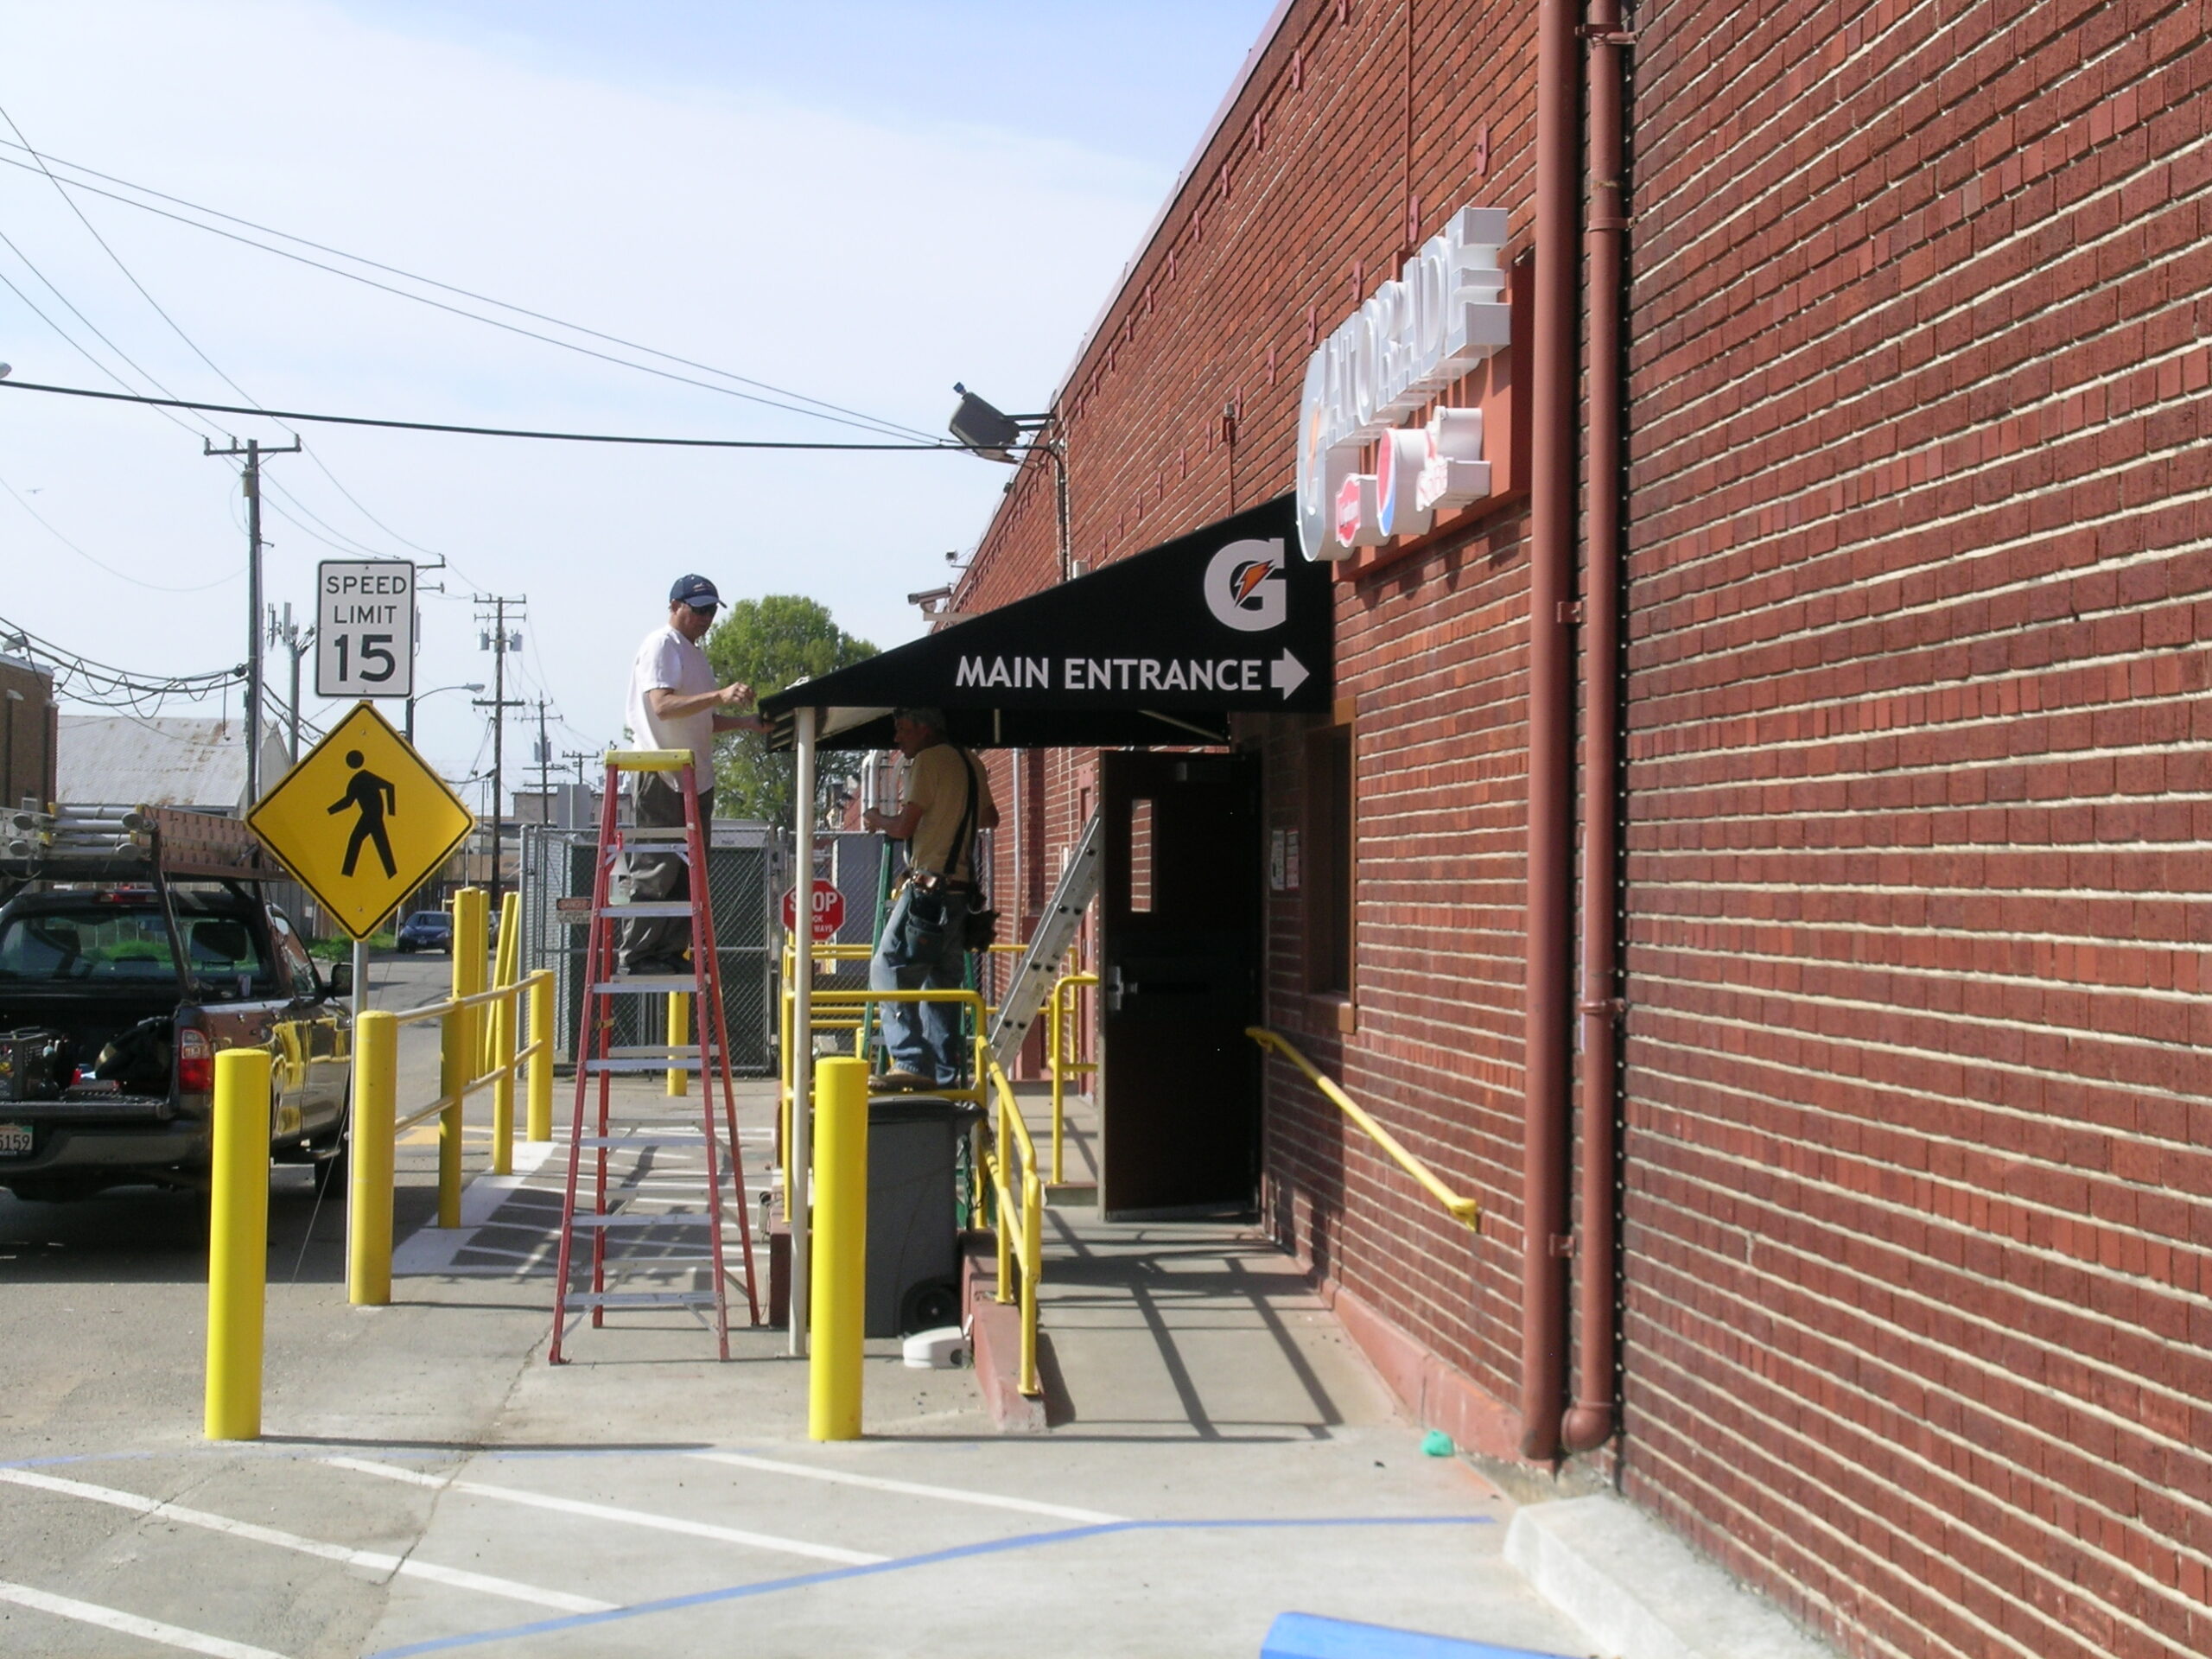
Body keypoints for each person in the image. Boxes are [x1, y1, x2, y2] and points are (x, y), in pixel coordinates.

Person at [619, 575, 760, 976]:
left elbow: (702, 721)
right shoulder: (662, 644)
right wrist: (719, 695)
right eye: (698, 609)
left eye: (712, 610)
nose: (706, 617)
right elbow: (662, 706)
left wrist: (746, 723)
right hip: (661, 772)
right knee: (657, 866)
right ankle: (640, 954)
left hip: (694, 776)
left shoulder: (695, 655)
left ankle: (668, 951)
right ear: (675, 606)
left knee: (688, 871)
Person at [861, 707, 998, 1091]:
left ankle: (908, 1059)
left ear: (923, 728)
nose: (897, 739)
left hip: (928, 889)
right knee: (942, 984)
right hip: (961, 891)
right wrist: (953, 819)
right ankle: (945, 1078)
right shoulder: (971, 761)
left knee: (886, 967)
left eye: (902, 729)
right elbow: (991, 817)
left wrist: (877, 819)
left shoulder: (927, 761)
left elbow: (905, 825)